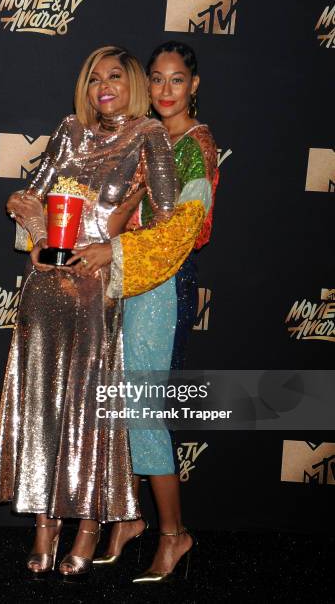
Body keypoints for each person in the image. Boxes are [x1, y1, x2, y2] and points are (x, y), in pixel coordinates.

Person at [0, 45, 184, 580]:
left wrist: (112, 241)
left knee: (91, 411)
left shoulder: (149, 136)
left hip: (97, 289)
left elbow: (168, 221)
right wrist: (35, 220)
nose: (103, 87)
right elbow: (32, 195)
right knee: (41, 405)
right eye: (94, 79)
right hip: (48, 284)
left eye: (115, 76)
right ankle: (45, 527)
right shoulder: (70, 129)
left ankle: (89, 526)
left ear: (134, 82)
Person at [75, 41, 218, 583]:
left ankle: (174, 535)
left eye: (176, 80)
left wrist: (112, 250)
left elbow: (181, 233)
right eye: (155, 79)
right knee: (118, 404)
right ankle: (130, 518)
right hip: (124, 279)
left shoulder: (195, 145)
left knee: (140, 408)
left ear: (194, 86)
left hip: (161, 284)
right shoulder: (149, 136)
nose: (163, 90)